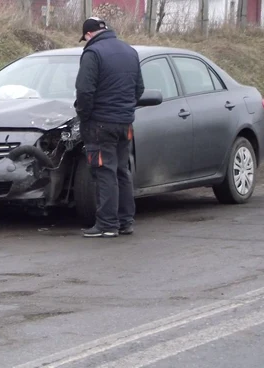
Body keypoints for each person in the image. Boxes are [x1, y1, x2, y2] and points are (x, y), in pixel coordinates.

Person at [74, 17, 145, 238]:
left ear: (88, 35)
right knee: (122, 171)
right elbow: (139, 89)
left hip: (99, 124)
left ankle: (106, 225)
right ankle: (126, 222)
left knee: (104, 172)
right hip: (125, 123)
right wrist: (124, 110)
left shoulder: (92, 53)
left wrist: (84, 116)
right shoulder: (129, 51)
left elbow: (84, 91)